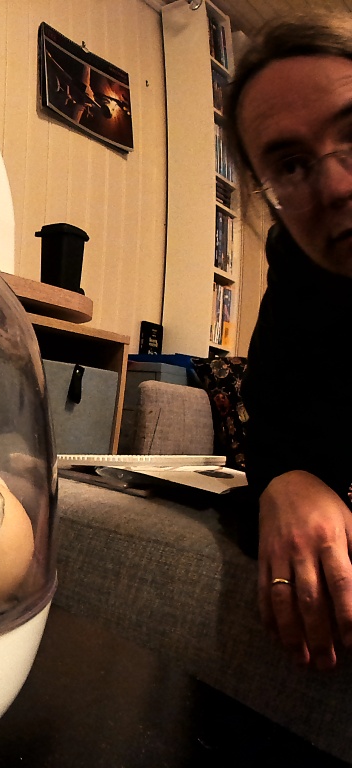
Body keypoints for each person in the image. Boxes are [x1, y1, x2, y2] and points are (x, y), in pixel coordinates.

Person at [222, 13, 352, 670]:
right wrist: (288, 481)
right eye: (291, 166)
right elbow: (274, 420)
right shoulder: (301, 265)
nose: (336, 186)